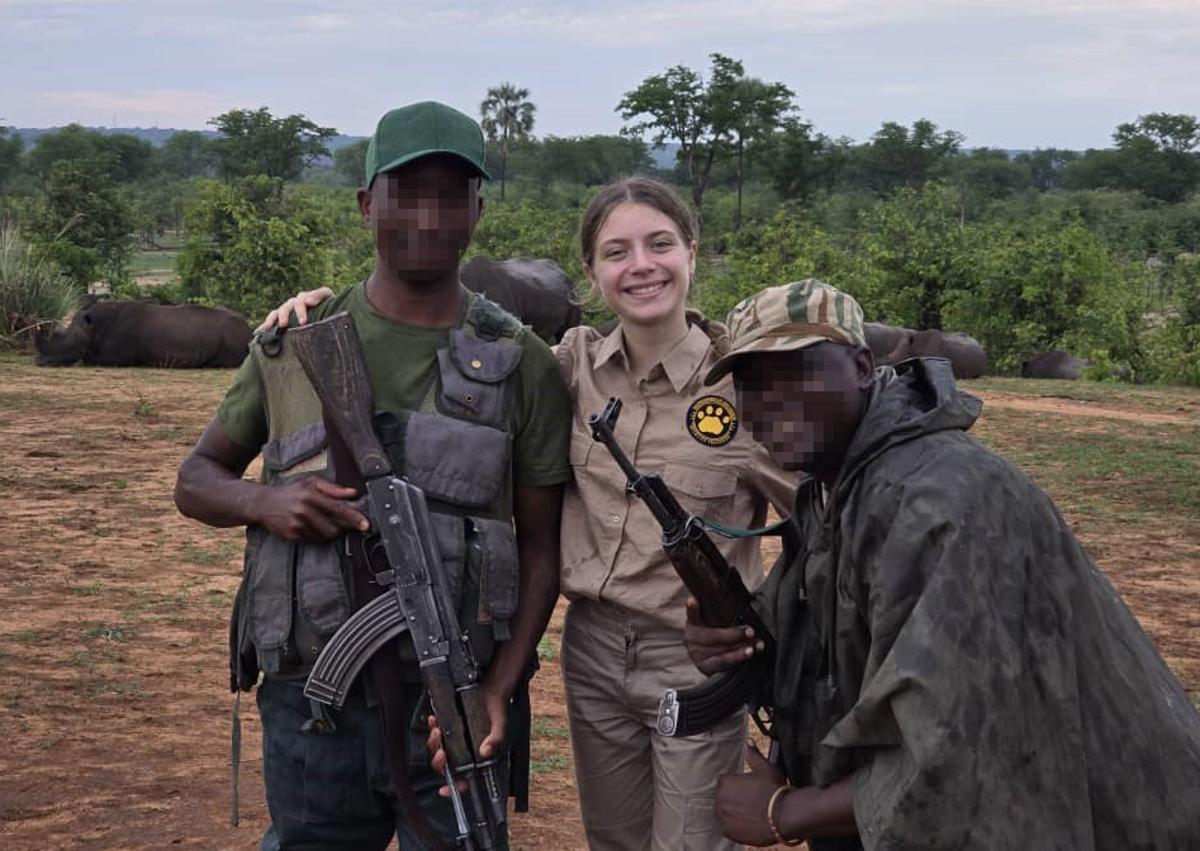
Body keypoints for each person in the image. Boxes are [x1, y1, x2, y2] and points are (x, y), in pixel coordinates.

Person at [265, 177, 797, 851]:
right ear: (592, 272)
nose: (641, 265)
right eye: (617, 251)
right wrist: (320, 311)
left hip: (694, 658)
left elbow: (822, 525)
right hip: (596, 649)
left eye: (660, 244)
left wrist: (759, 617)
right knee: (615, 839)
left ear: (692, 251)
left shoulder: (745, 385)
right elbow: (439, 347)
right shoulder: (568, 366)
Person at [174, 101, 572, 851]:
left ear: (477, 211)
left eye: (452, 193)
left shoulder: (524, 363)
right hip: (310, 707)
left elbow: (543, 548)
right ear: (366, 205)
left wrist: (497, 687)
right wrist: (267, 500)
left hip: (449, 706)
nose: (429, 213)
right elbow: (196, 478)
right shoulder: (294, 344)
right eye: (405, 191)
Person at [684, 279, 1200, 849]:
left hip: (1095, 820)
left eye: (795, 371)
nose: (768, 402)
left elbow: (957, 742)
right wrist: (727, 639)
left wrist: (788, 811)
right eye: (751, 383)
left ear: (860, 366)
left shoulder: (942, 500)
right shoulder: (833, 489)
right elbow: (826, 650)